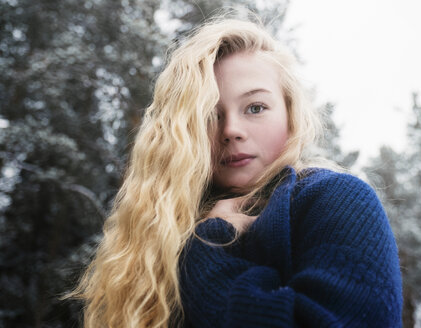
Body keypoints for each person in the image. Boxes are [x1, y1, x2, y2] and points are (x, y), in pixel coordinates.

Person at [71, 17, 403, 327]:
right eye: (209, 115)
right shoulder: (163, 230)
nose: (231, 130)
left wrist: (208, 247)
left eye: (255, 107)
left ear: (290, 114)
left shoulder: (336, 199)